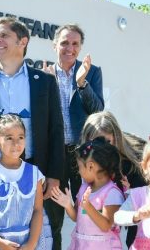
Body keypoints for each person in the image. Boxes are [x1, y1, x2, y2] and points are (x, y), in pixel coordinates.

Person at [0, 17, 65, 249]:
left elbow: (55, 130)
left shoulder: (45, 82)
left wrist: (54, 174)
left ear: (23, 41)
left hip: (36, 171)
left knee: (45, 235)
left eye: (3, 35)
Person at [43, 24, 104, 199]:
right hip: (54, 153)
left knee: (86, 207)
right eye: (64, 43)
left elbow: (97, 110)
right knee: (53, 210)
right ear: (55, 46)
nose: (70, 48)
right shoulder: (44, 75)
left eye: (75, 44)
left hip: (84, 152)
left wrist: (82, 83)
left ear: (80, 47)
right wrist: (48, 86)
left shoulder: (92, 72)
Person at [0, 112, 52, 249]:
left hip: (28, 243)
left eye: (21, 137)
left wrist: (31, 243)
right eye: (9, 138)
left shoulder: (35, 173)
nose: (16, 143)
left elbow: (38, 210)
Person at [80, 111, 147, 247]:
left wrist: (129, 192)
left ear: (116, 138)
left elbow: (142, 202)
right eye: (95, 142)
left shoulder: (133, 161)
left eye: (107, 141)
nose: (102, 147)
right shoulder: (84, 162)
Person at [51, 137, 125, 249]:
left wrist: (88, 206)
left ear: (90, 166)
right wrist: (68, 205)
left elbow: (106, 225)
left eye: (80, 167)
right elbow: (77, 217)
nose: (79, 171)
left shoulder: (112, 193)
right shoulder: (84, 188)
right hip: (82, 245)